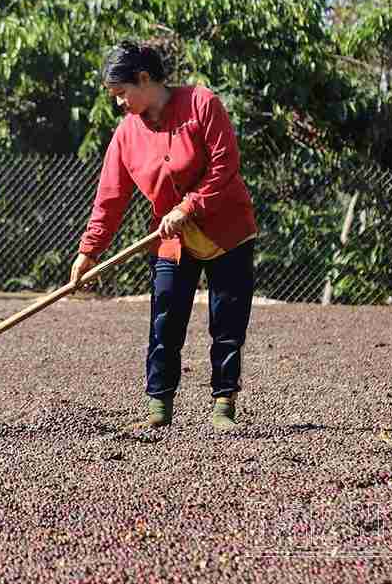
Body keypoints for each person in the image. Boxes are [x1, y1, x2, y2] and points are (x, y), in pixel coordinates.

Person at [69, 39, 258, 431]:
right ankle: (159, 409)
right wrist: (89, 252)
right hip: (171, 240)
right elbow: (110, 199)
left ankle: (223, 406)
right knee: (165, 319)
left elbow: (225, 165)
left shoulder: (202, 104)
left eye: (121, 93)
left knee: (227, 322)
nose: (118, 103)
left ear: (144, 78)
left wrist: (188, 206)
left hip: (228, 230)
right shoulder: (126, 135)